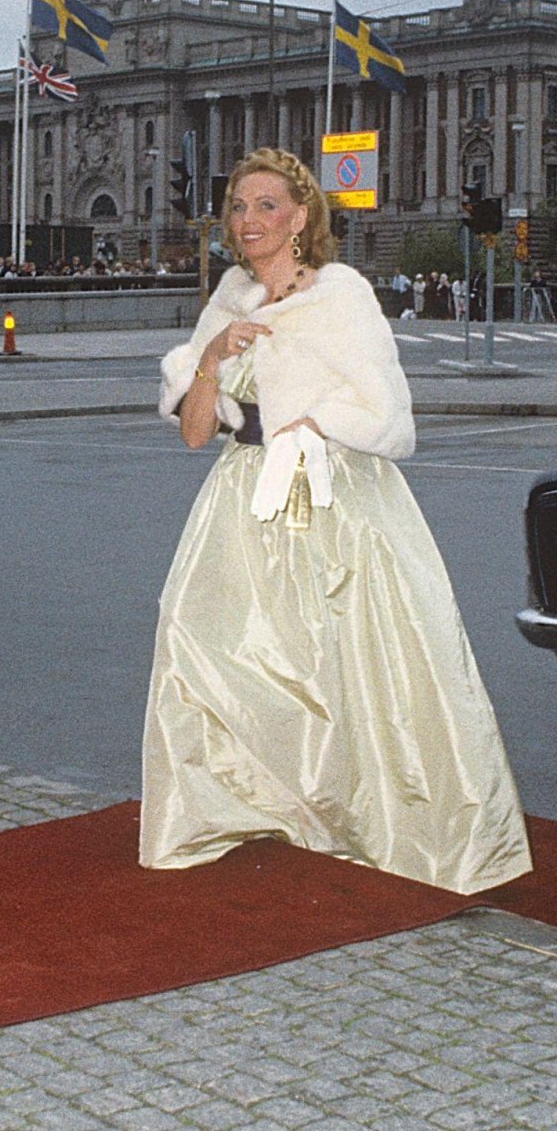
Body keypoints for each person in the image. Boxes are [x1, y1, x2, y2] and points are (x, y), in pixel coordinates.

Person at [140, 147, 531, 895]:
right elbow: (195, 432)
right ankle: (247, 801)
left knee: (354, 663)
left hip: (334, 498)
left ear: (301, 216)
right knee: (206, 647)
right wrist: (212, 358)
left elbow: (390, 414)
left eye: (265, 206)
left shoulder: (342, 296)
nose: (248, 221)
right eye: (239, 207)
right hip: (242, 498)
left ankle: (380, 816)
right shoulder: (228, 296)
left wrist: (315, 425)